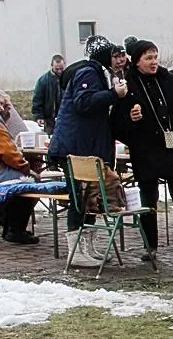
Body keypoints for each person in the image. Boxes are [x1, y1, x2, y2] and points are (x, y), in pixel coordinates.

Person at [111, 37, 173, 261]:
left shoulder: (168, 79)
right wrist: (131, 119)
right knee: (148, 198)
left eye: (155, 57)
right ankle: (150, 246)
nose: (153, 62)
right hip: (146, 150)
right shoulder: (127, 84)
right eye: (148, 58)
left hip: (171, 147)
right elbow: (116, 123)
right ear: (137, 61)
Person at [49, 35, 121, 267]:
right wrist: (113, 95)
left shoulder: (96, 71)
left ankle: (87, 248)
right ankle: (76, 250)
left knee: (90, 196)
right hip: (75, 147)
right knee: (79, 198)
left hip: (85, 146)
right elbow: (84, 102)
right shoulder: (89, 72)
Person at [0, 94, 40, 244]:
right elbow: (7, 151)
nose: (2, 108)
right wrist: (25, 167)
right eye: (1, 103)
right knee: (31, 181)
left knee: (24, 180)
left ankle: (4, 220)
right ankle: (15, 229)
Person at [32, 54, 67, 131]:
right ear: (51, 66)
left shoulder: (68, 79)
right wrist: (39, 116)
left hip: (65, 119)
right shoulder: (43, 81)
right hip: (49, 120)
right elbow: (37, 100)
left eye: (61, 68)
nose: (59, 71)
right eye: (57, 69)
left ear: (64, 65)